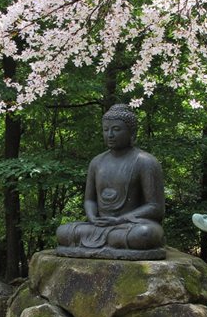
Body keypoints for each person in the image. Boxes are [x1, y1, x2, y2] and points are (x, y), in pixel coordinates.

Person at [56, 104, 165, 259]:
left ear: (131, 132)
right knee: (63, 232)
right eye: (106, 130)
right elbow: (89, 200)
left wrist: (119, 219)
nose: (110, 134)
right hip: (99, 226)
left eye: (116, 129)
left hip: (130, 226)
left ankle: (115, 242)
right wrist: (93, 217)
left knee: (145, 235)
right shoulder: (97, 162)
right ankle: (114, 244)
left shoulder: (145, 162)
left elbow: (155, 207)